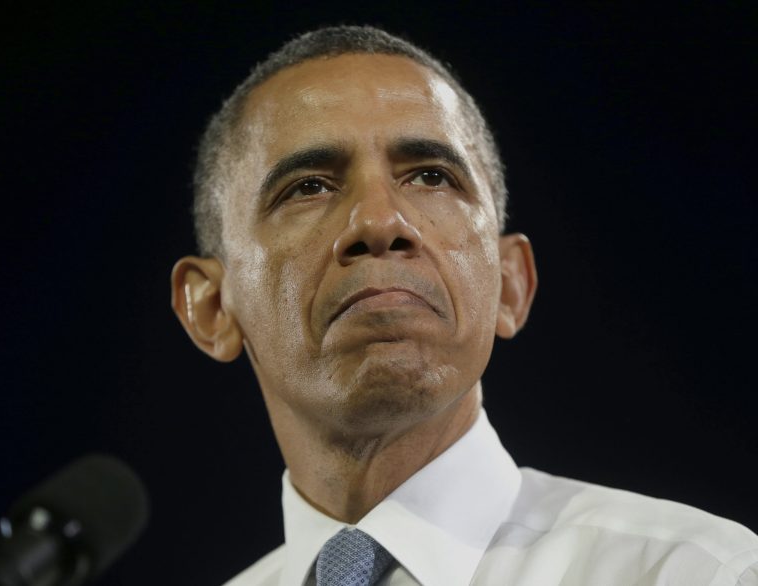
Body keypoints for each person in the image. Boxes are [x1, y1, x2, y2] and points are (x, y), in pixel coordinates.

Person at [170, 25, 758, 586]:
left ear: (509, 284)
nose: (379, 221)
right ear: (211, 307)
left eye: (431, 176)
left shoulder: (695, 574)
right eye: (309, 186)